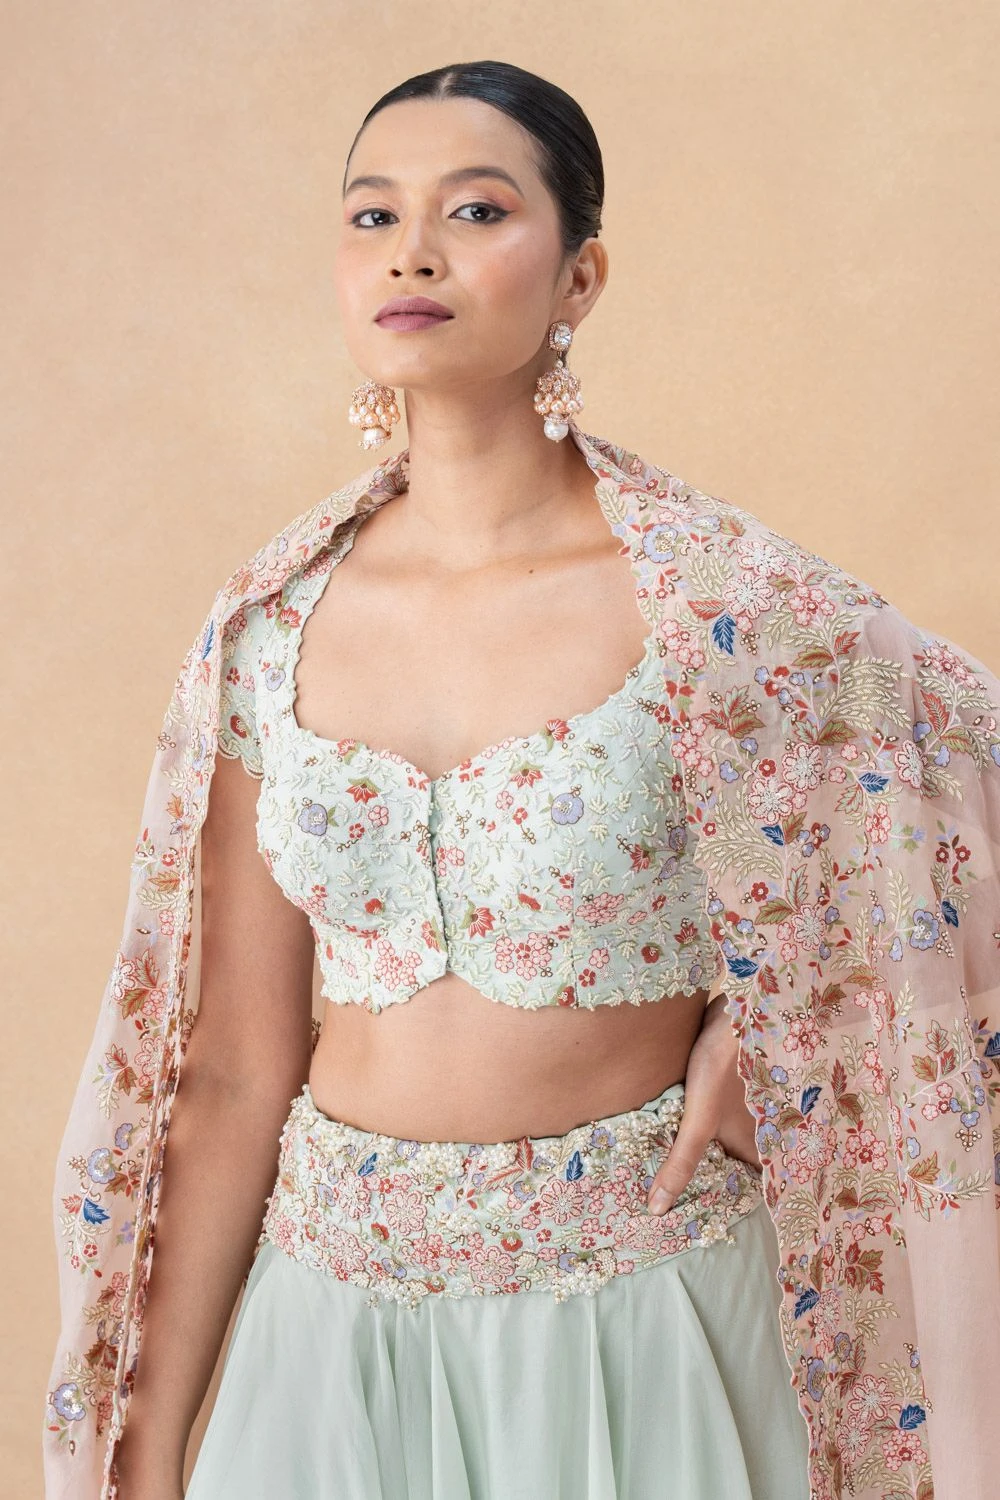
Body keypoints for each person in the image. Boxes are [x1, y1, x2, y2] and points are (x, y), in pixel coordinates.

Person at [44, 60, 1000, 1500]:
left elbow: (943, 739)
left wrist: (773, 1019)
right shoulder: (268, 628)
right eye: (373, 216)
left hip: (646, 1328)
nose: (412, 253)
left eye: (477, 211)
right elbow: (235, 1065)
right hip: (330, 1356)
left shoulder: (720, 605)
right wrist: (150, 1448)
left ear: (579, 276)